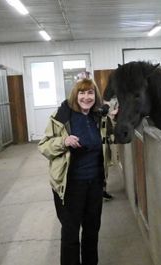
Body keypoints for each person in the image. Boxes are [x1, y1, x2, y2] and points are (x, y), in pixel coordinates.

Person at [38, 75, 112, 265]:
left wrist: (115, 115)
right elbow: (44, 146)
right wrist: (63, 141)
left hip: (94, 183)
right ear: (75, 95)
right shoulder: (62, 117)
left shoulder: (98, 117)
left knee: (92, 229)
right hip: (70, 184)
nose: (86, 97)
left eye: (90, 93)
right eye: (82, 93)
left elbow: (112, 135)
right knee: (71, 232)